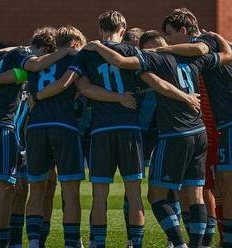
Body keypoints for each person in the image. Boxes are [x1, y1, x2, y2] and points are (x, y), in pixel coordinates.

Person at [83, 29, 232, 248]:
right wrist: (219, 39)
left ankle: (179, 242)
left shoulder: (152, 62)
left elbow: (123, 63)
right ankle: (194, 243)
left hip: (171, 133)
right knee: (192, 190)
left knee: (161, 192)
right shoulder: (190, 59)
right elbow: (223, 54)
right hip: (181, 130)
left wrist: (96, 45)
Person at [0, 27, 73, 248]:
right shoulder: (24, 56)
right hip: (0, 124)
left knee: (12, 186)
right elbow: (33, 65)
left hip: (2, 125)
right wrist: (66, 52)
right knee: (6, 187)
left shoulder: (13, 58)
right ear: (45, 49)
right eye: (49, 53)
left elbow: (0, 65)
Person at [158, 8, 232, 247]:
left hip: (228, 122)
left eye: (169, 34)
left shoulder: (204, 40)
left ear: (183, 30)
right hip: (222, 124)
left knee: (226, 184)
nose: (168, 40)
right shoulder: (215, 45)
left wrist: (160, 50)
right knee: (220, 184)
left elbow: (199, 49)